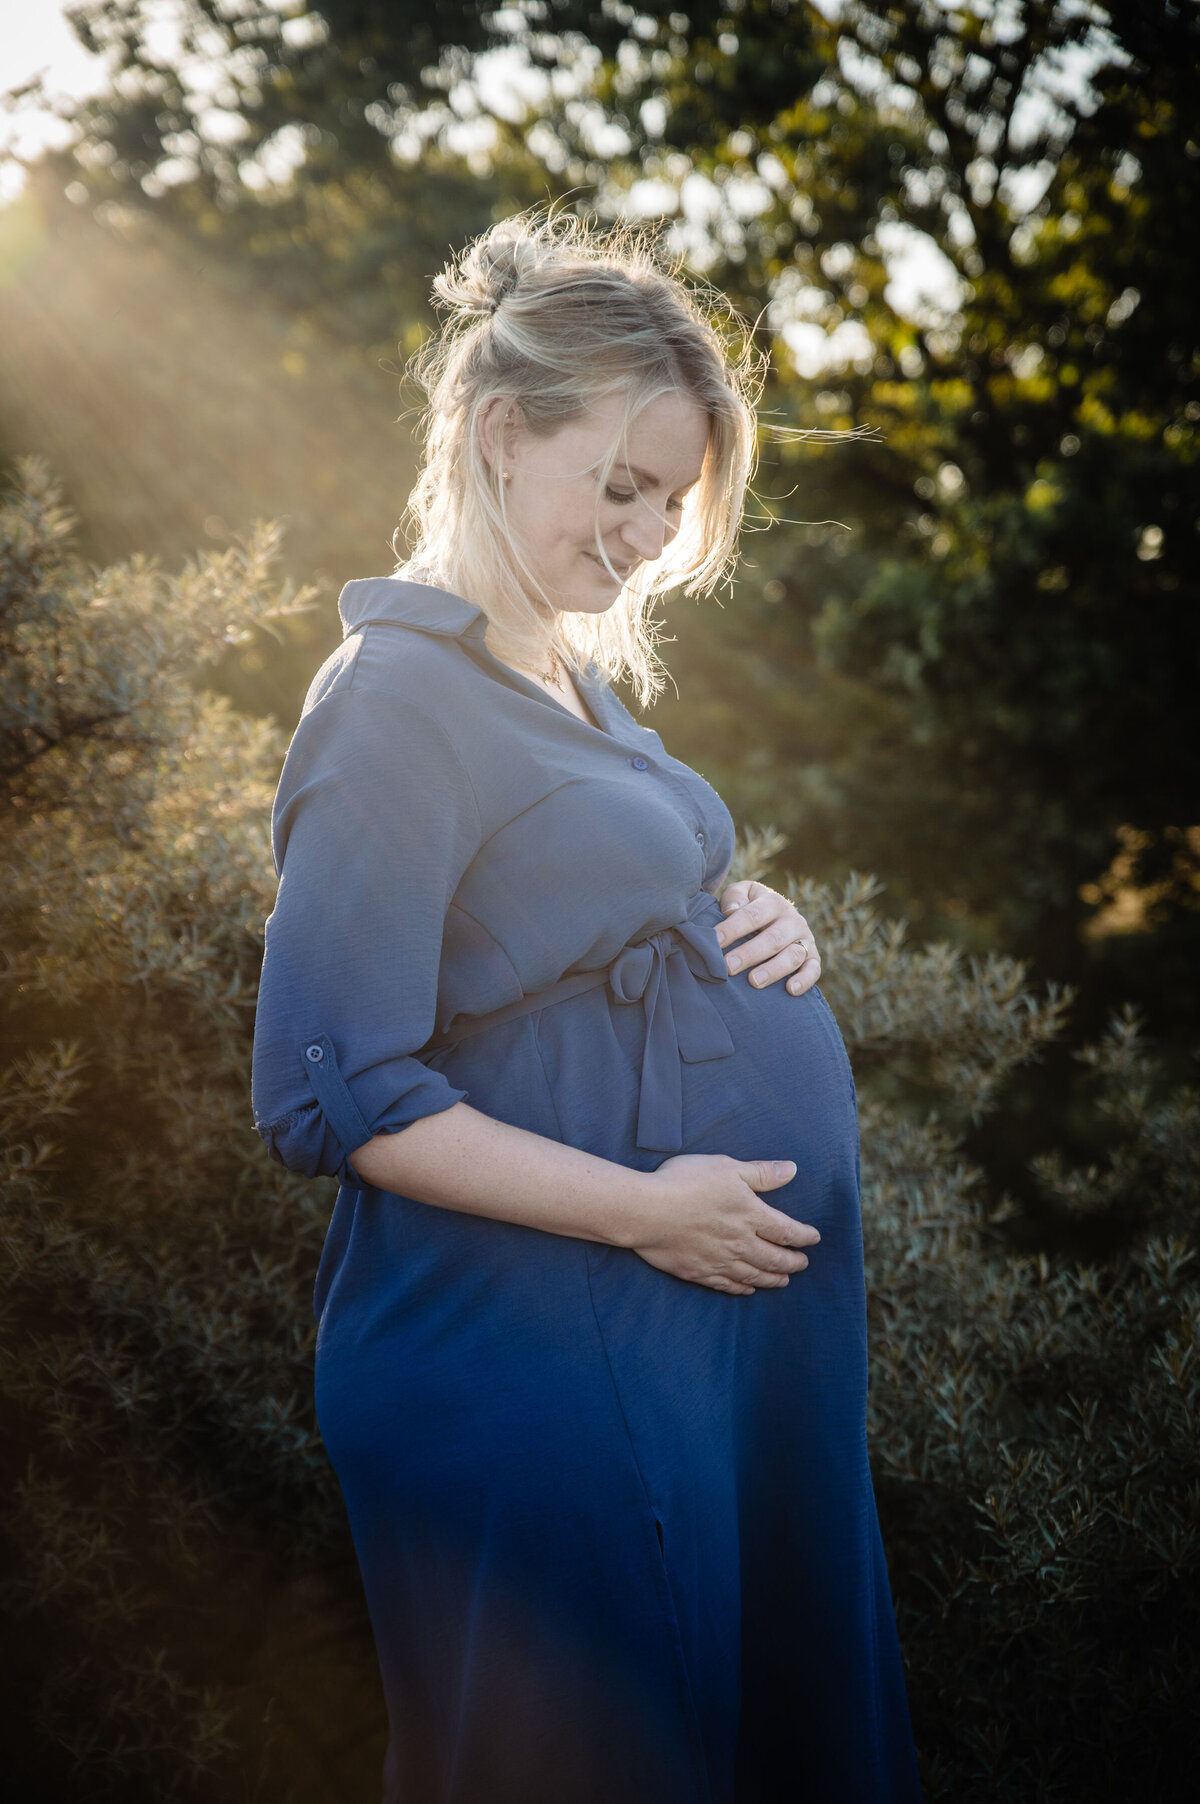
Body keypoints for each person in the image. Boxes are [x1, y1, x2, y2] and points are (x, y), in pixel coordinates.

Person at [251, 211, 923, 1804]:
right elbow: (330, 1086)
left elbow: (598, 910)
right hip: (543, 1333)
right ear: (498, 435)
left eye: (671, 504)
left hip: (704, 1331)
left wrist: (756, 918)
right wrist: (641, 1211)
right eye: (617, 487)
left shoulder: (571, 683)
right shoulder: (396, 695)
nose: (643, 534)